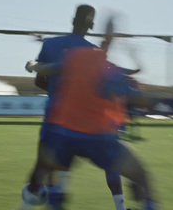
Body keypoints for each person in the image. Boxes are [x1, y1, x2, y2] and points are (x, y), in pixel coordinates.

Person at [24, 5, 132, 210]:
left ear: (73, 19)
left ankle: (29, 204)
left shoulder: (50, 44)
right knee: (106, 163)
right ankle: (122, 207)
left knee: (44, 168)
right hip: (80, 123)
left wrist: (56, 93)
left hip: (53, 119)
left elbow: (39, 81)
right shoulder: (92, 52)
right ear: (91, 25)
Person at [24, 46, 157, 210]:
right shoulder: (108, 69)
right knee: (132, 172)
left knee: (53, 166)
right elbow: (138, 91)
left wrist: (31, 65)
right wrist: (136, 61)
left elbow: (42, 69)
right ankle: (138, 204)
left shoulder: (70, 63)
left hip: (66, 131)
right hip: (98, 134)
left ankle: (51, 201)